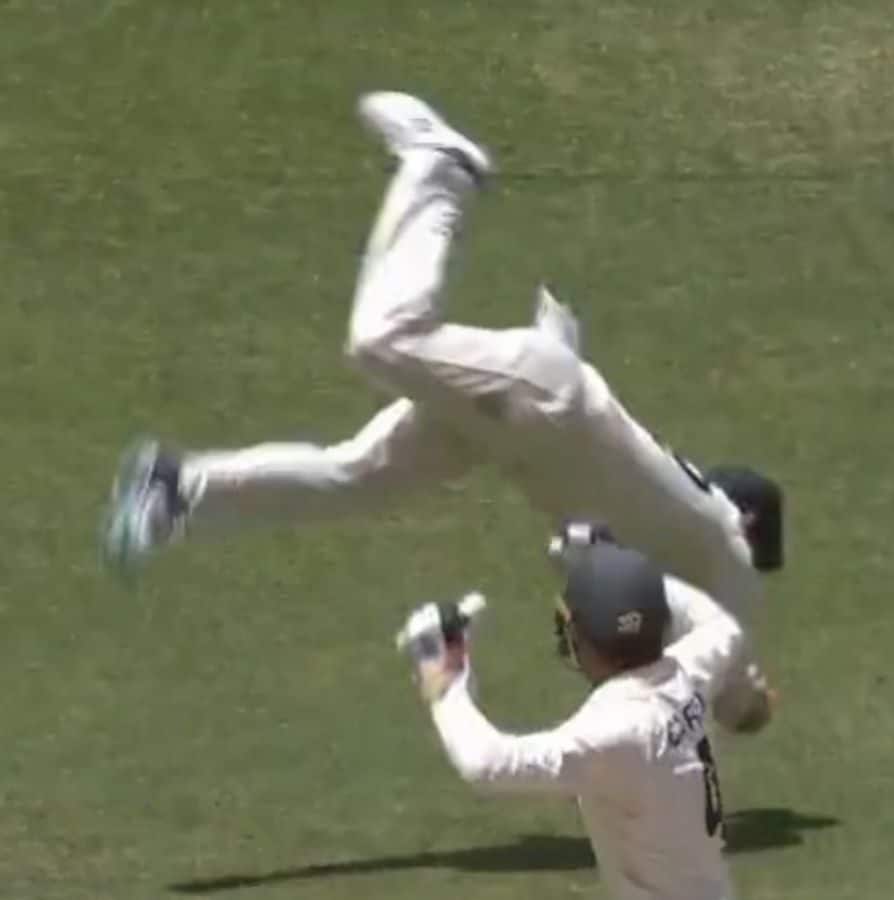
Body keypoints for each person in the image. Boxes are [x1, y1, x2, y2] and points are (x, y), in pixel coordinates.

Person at [98, 91, 783, 732]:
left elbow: (733, 683)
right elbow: (740, 702)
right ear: (747, 523)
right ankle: (442, 167)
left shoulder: (704, 548)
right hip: (542, 404)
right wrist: (745, 702)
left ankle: (180, 490)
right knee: (381, 341)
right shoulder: (723, 568)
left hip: (521, 435)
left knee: (358, 475)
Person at [404, 542, 740, 900]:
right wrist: (628, 574)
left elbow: (486, 764)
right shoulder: (690, 671)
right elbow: (723, 625)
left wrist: (446, 683)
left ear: (580, 638)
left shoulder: (619, 731)